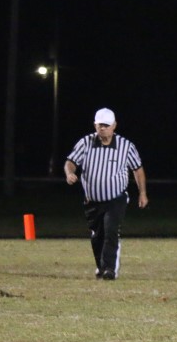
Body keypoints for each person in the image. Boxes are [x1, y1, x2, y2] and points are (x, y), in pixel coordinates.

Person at [63, 107, 148, 280]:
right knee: (97, 235)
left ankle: (110, 269)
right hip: (92, 200)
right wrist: (69, 173)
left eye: (106, 125)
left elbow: (137, 169)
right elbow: (70, 162)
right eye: (99, 125)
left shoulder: (126, 146)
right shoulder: (86, 142)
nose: (102, 128)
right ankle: (101, 266)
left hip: (116, 198)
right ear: (95, 125)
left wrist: (142, 193)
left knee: (111, 230)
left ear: (114, 125)